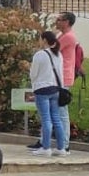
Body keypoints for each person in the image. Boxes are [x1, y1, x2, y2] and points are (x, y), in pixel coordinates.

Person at [28, 30, 67, 158]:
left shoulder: (39, 55)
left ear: (44, 40)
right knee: (56, 118)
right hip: (55, 88)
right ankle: (61, 148)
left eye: (40, 39)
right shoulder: (58, 55)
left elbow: (33, 74)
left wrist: (33, 85)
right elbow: (60, 73)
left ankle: (46, 147)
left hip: (42, 89)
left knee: (46, 118)